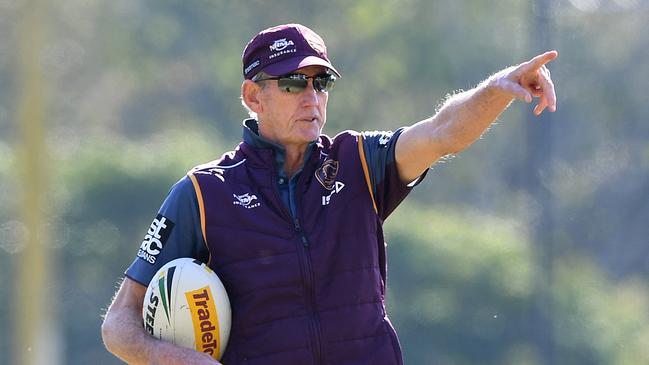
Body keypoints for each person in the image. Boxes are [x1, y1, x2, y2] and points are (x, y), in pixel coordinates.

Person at [101, 23, 557, 365]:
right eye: (294, 83)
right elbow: (119, 324)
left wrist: (497, 90)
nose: (312, 97)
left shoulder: (359, 161)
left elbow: (442, 131)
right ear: (253, 96)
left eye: (321, 83)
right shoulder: (202, 193)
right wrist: (178, 359)